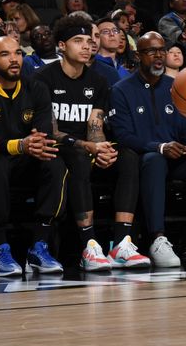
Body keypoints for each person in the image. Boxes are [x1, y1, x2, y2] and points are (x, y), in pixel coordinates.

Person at [36, 15, 149, 270]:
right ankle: (89, 245)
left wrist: (102, 148)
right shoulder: (43, 78)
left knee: (127, 156)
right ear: (62, 46)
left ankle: (121, 243)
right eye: (78, 41)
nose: (87, 46)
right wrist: (86, 146)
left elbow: (95, 126)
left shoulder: (97, 81)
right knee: (77, 157)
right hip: (57, 148)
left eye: (89, 41)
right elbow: (49, 131)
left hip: (86, 146)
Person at [110, 32, 186, 267]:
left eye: (162, 50)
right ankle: (157, 238)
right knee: (154, 161)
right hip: (148, 157)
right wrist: (160, 146)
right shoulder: (121, 90)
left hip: (180, 156)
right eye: (151, 51)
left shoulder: (178, 87)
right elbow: (122, 136)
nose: (158, 56)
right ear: (138, 55)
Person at [0, 36, 67, 275]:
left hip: (27, 155)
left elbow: (43, 133)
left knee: (55, 163)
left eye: (17, 53)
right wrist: (19, 145)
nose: (14, 59)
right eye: (5, 55)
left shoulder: (36, 87)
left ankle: (40, 245)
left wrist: (31, 144)